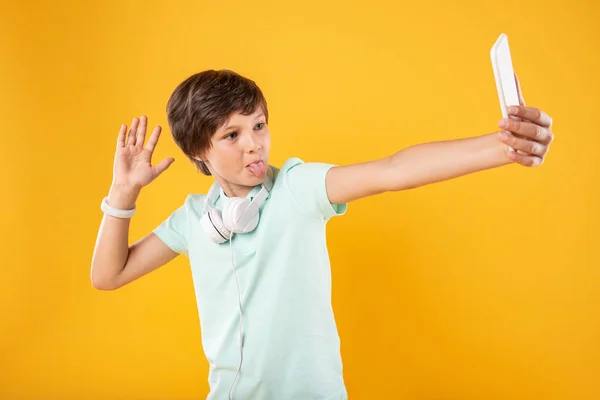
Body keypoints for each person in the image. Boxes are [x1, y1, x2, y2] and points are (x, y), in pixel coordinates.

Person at [90, 69, 554, 399]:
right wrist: (123, 192)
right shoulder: (193, 219)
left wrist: (502, 147)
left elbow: (394, 170)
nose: (253, 142)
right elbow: (108, 275)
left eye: (258, 125)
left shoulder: (297, 187)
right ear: (199, 151)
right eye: (231, 135)